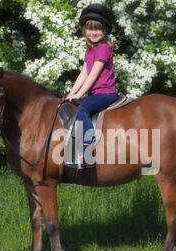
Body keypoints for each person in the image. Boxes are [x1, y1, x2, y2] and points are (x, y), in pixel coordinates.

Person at [66, 3, 118, 167]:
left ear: (105, 31)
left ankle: (88, 143)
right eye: (90, 28)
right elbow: (83, 74)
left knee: (83, 109)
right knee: (74, 106)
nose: (94, 32)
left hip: (106, 93)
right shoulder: (90, 50)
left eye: (98, 29)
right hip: (95, 93)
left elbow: (93, 75)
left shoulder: (103, 49)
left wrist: (79, 95)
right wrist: (70, 94)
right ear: (84, 30)